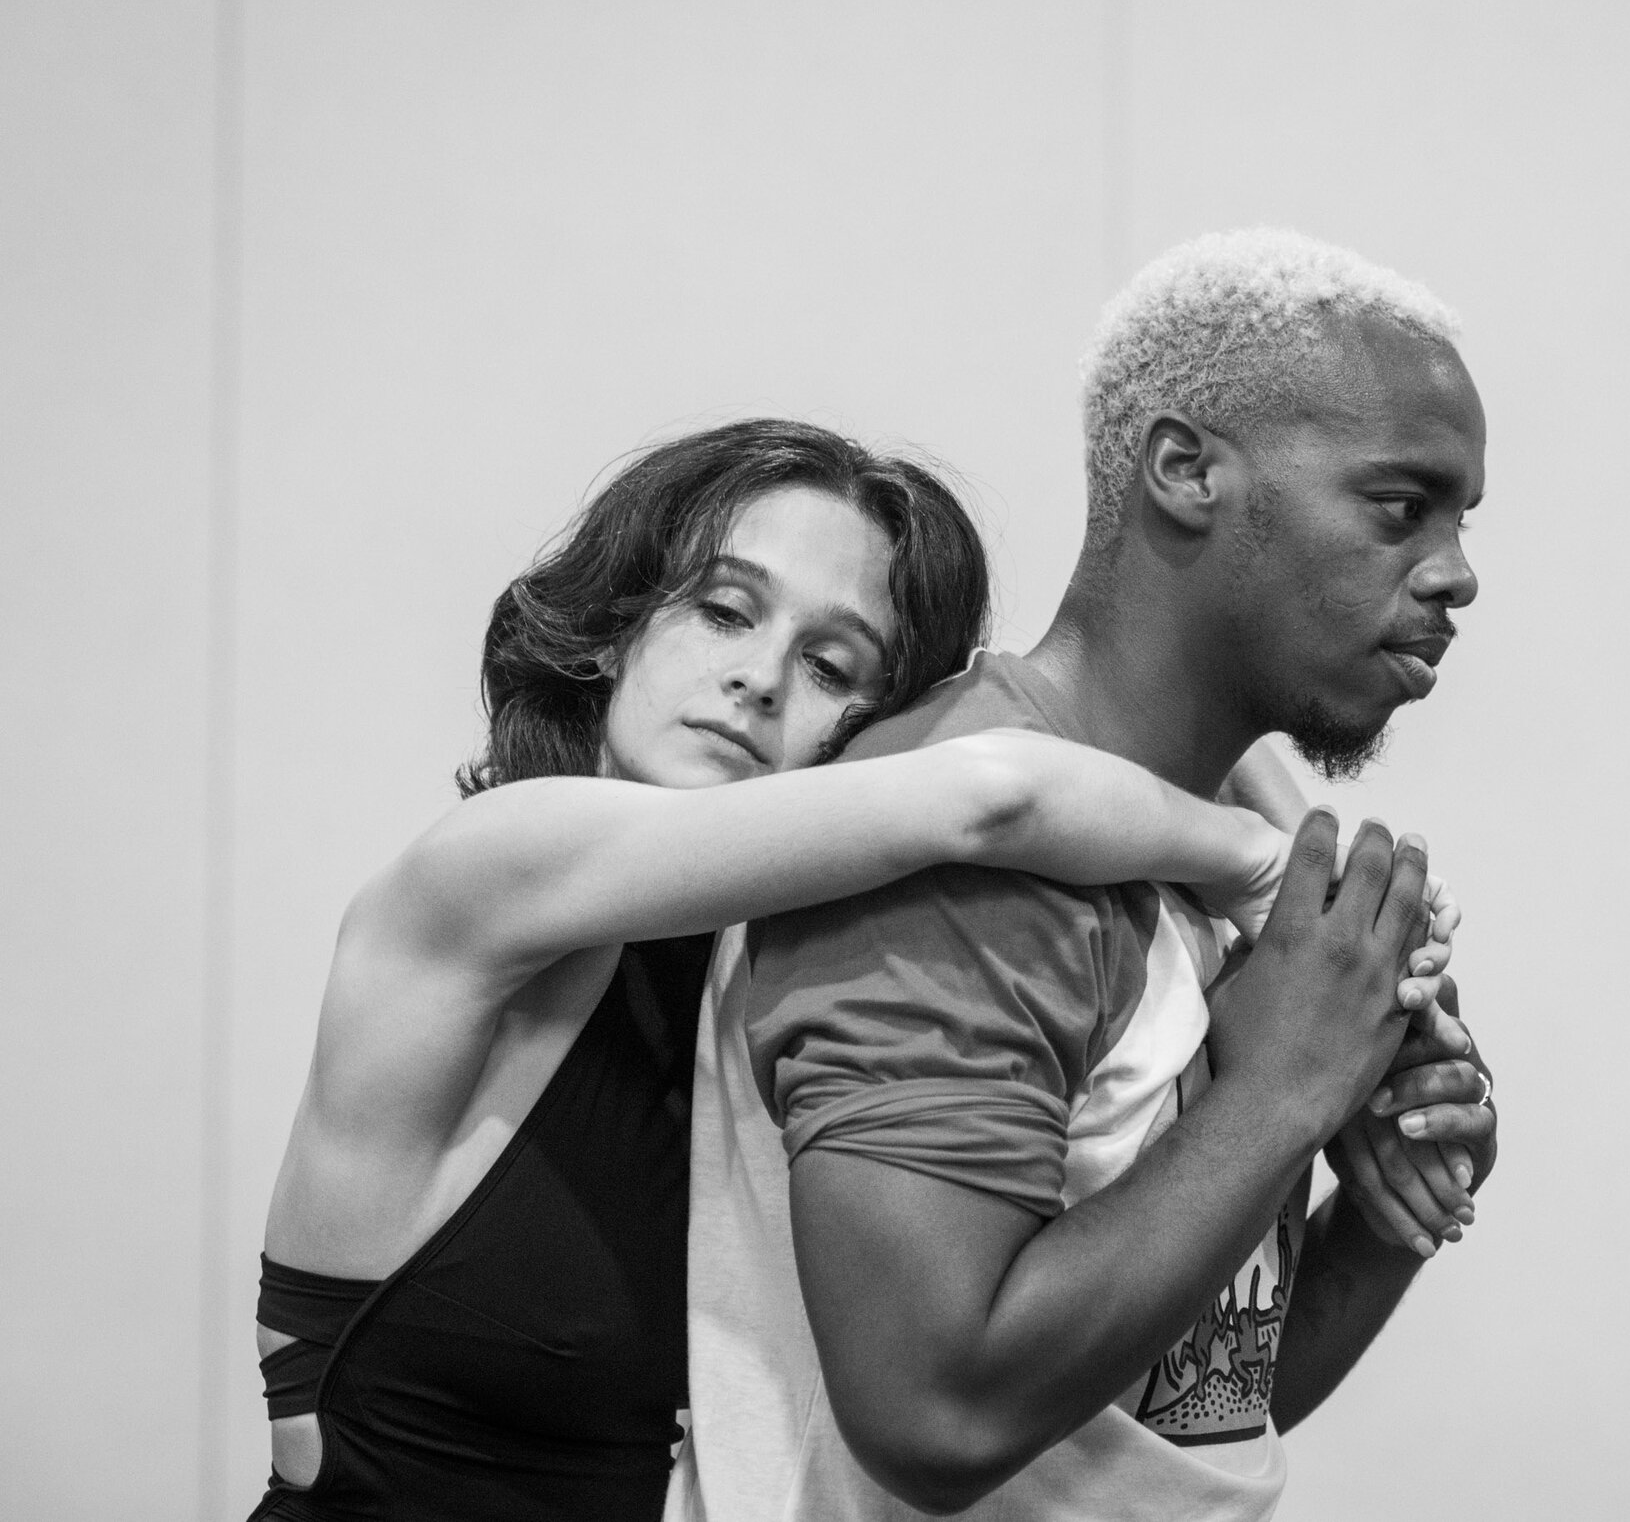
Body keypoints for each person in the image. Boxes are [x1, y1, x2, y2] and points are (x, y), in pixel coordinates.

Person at [246, 418, 1428, 1522]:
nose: (761, 678)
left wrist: (1382, 1208)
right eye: (721, 610)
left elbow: (1142, 1406)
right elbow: (998, 787)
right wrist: (1278, 868)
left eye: (830, 662)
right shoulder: (489, 872)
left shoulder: (775, 975)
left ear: (863, 729)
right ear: (612, 624)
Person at [669, 230, 1502, 1522]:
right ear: (1185, 468)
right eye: (1401, 505)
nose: (1455, 571)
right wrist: (1287, 1086)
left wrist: (1388, 1207)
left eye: (1461, 520)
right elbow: (935, 1413)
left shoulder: (1231, 851)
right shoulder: (958, 842)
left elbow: (1200, 1410)